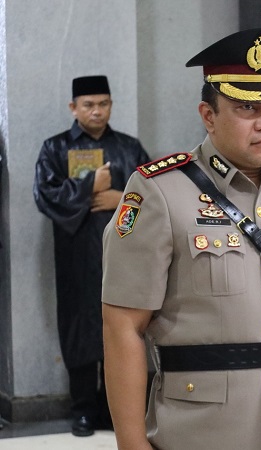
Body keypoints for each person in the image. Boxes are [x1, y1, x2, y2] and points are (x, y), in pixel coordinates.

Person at [101, 28, 261, 450]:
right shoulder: (159, 191)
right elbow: (122, 326)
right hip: (205, 429)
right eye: (246, 109)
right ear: (208, 114)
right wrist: (131, 443)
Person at [32, 75, 150, 437]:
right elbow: (45, 196)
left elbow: (155, 196)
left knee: (124, 331)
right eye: (88, 105)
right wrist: (87, 187)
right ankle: (83, 409)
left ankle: (113, 410)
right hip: (77, 257)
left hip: (124, 256)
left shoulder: (129, 148)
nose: (97, 111)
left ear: (111, 105)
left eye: (103, 103)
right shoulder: (55, 149)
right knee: (81, 329)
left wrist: (121, 200)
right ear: (74, 108)